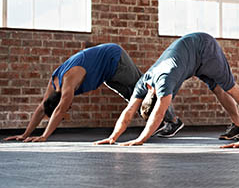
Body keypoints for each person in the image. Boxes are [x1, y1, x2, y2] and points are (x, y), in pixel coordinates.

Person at [94, 32, 239, 146]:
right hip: (190, 57)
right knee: (217, 89)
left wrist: (140, 139)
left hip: (204, 47)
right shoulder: (144, 82)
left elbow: (158, 114)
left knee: (229, 88)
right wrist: (112, 137)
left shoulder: (164, 82)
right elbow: (129, 111)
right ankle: (238, 125)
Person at [2, 43, 183, 142]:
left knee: (143, 90)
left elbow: (59, 110)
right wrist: (25, 134)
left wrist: (44, 136)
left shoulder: (68, 83)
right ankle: (159, 121)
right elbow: (42, 108)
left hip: (115, 58)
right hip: (107, 71)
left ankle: (174, 121)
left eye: (67, 106)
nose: (68, 108)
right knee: (132, 98)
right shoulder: (53, 84)